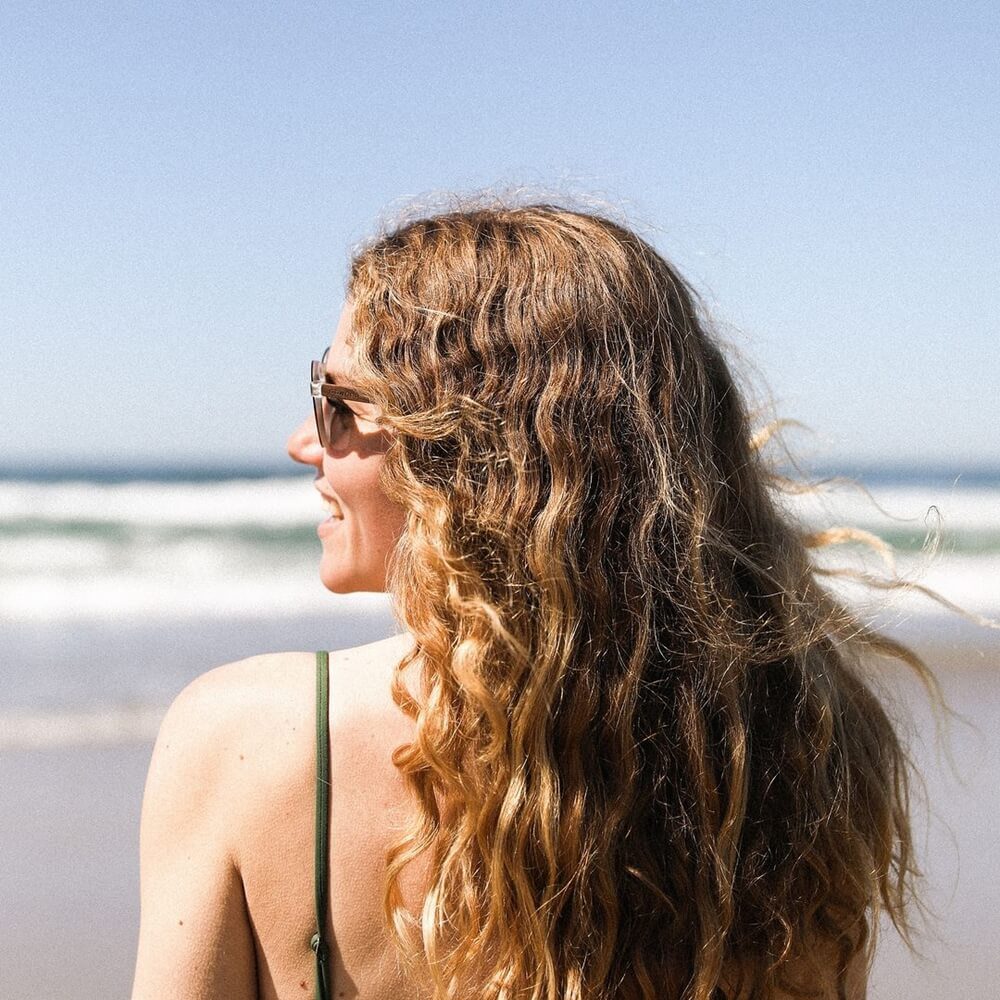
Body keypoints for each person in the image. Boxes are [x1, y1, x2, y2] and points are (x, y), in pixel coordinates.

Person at [131, 201, 933, 1000]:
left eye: (338, 400)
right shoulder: (794, 746)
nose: (305, 440)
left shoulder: (245, 745)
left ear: (465, 456)